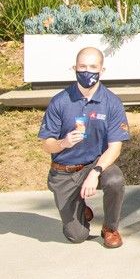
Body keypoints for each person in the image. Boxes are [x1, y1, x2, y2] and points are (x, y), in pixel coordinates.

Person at [38, 47, 128, 248]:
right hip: (65, 170)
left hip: (94, 162)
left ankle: (110, 228)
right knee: (76, 236)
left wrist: (95, 172)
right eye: (83, 67)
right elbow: (46, 144)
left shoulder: (111, 102)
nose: (88, 72)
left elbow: (115, 147)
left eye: (93, 67)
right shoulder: (60, 101)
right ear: (74, 68)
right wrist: (64, 143)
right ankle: (81, 209)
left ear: (102, 70)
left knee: (114, 180)